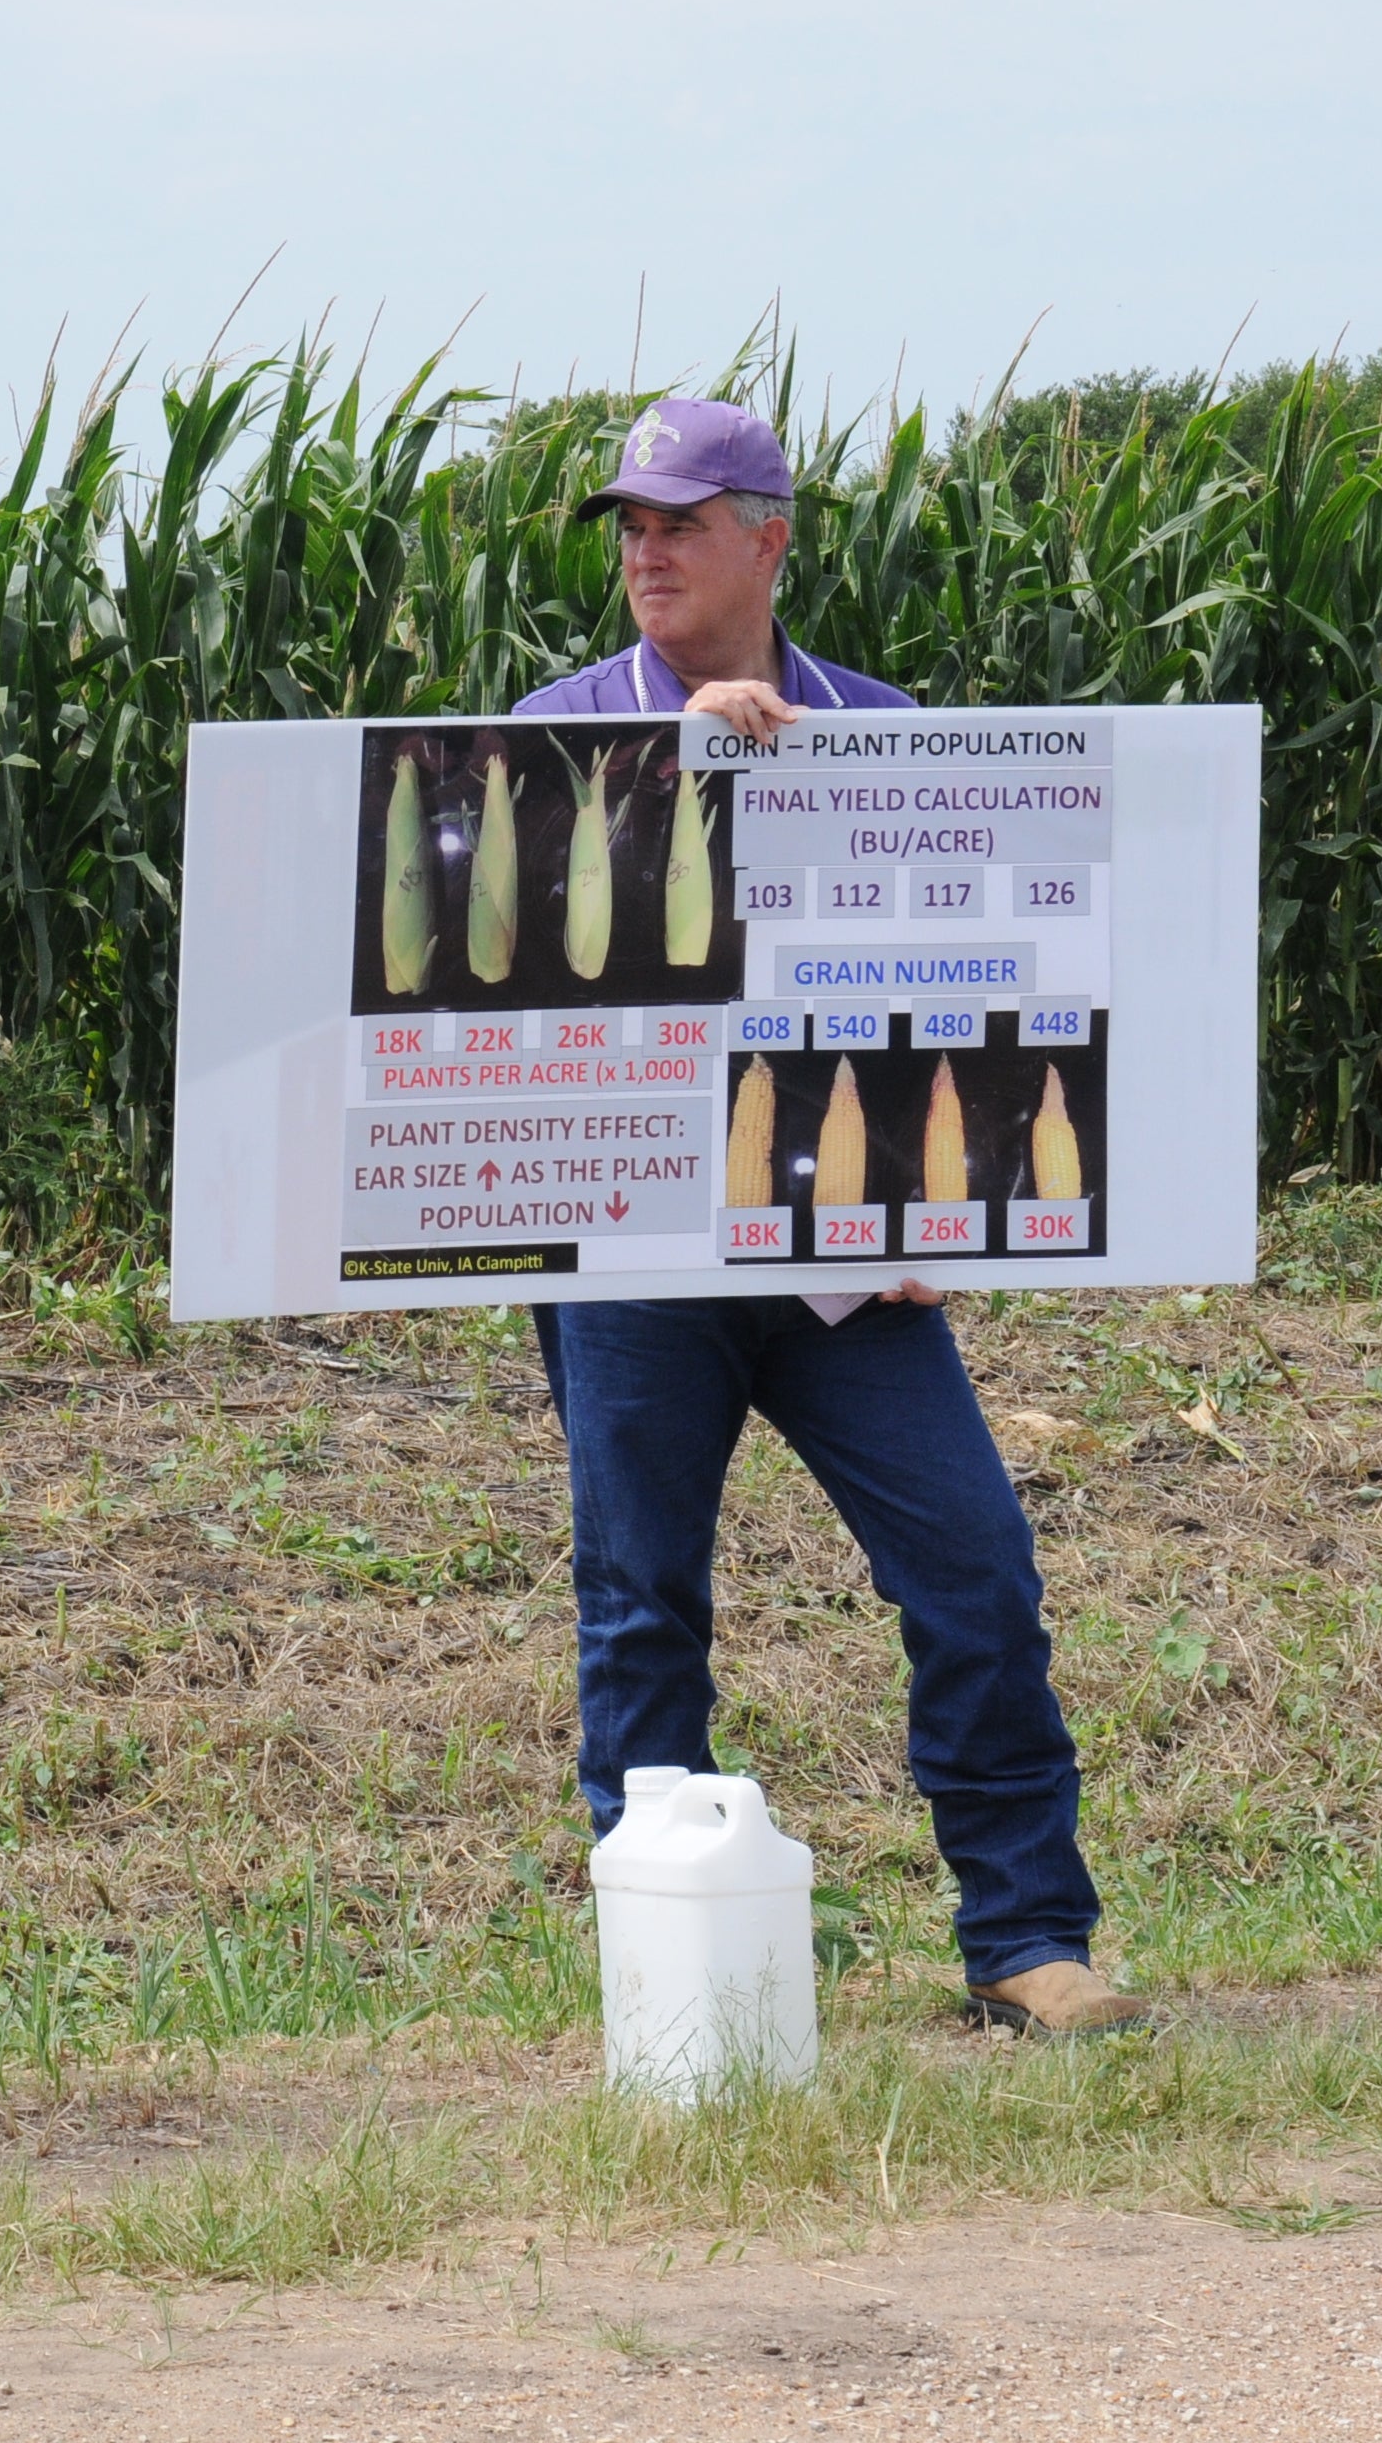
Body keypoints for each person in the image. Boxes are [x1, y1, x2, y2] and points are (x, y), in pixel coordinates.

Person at [518, 394, 1146, 2038]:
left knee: (976, 1568)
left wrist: (953, 1215)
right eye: (631, 525)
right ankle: (665, 1975)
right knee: (642, 1606)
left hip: (844, 1272)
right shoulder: (562, 724)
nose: (646, 549)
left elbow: (959, 987)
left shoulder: (885, 729)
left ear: (771, 537)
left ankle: (1026, 1940)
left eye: (680, 521)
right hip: (640, 1263)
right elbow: (528, 967)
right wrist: (678, 767)